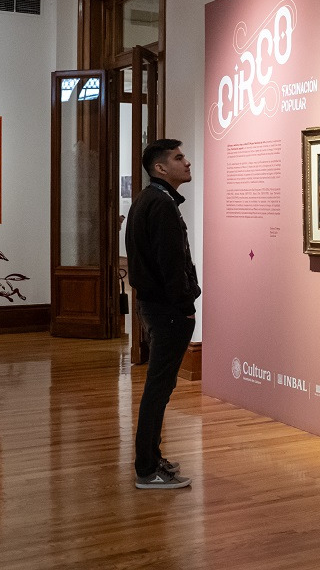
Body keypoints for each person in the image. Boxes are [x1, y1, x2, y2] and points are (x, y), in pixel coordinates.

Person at [125, 138, 200, 489]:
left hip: (157, 307)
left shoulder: (151, 200)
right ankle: (146, 468)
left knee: (160, 388)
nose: (187, 162)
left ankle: (152, 459)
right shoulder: (161, 204)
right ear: (160, 168)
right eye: (178, 157)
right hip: (167, 310)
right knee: (158, 389)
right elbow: (172, 265)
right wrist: (186, 306)